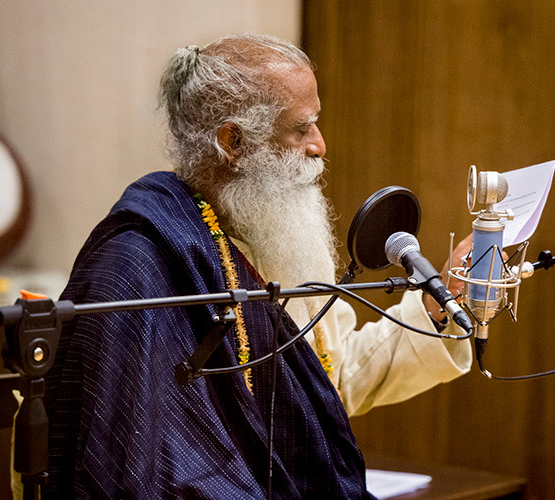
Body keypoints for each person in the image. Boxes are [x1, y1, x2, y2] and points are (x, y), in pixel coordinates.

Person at [44, 33, 472, 499]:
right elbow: (131, 463)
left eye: (317, 124)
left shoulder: (280, 236)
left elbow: (331, 379)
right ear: (233, 141)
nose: (320, 146)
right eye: (301, 128)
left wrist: (436, 304)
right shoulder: (135, 265)